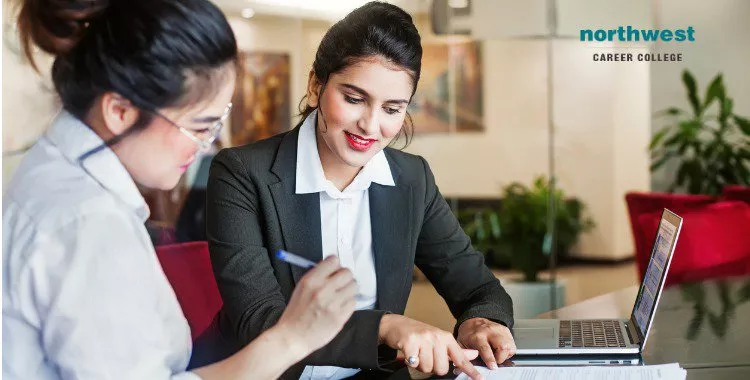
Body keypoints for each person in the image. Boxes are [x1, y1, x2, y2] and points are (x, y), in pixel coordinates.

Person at [2, 1, 357, 379]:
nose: (205, 145)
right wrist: (293, 338)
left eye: (217, 124)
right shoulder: (87, 227)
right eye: (200, 126)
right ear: (120, 111)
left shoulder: (54, 169)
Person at [206, 2, 516, 379]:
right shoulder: (242, 173)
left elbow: (478, 288)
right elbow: (259, 320)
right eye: (354, 99)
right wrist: (387, 326)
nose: (370, 125)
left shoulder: (411, 179)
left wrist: (481, 322)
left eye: (392, 108)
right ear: (316, 85)